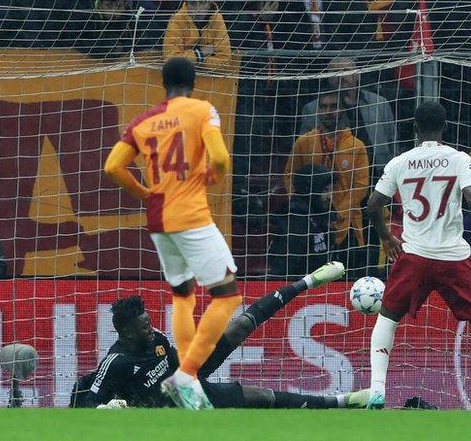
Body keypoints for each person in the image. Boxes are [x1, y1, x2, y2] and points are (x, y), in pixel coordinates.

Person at [103, 57, 239, 410]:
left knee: (183, 296)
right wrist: (211, 176)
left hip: (159, 219)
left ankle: (187, 382)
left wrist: (144, 193)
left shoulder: (143, 120)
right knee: (227, 297)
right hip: (192, 216)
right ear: (193, 82)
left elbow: (113, 166)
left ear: (163, 84)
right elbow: (221, 159)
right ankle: (186, 375)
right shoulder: (202, 110)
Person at [364, 101, 471, 411]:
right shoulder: (459, 159)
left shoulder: (399, 162)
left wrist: (387, 236)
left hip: (414, 254)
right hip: (453, 256)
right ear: (445, 127)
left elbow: (374, 204)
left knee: (388, 317)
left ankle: (377, 390)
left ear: (415, 128)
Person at [78, 269, 365, 408]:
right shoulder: (116, 362)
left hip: (184, 376)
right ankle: (342, 401)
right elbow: (88, 404)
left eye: (149, 323)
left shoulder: (157, 339)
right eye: (143, 328)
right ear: (126, 332)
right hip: (176, 402)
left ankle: (308, 281)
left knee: (238, 326)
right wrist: (107, 407)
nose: (150, 330)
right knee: (261, 397)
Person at [288, 90, 370, 253]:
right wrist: (301, 207)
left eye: (333, 107)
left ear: (343, 110)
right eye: (323, 107)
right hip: (310, 222)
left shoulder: (356, 145)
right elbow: (290, 177)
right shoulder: (304, 143)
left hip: (347, 223)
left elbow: (361, 185)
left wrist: (340, 210)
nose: (327, 112)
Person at [269, 164, 335, 278]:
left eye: (331, 190)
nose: (330, 196)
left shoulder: (318, 216)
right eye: (325, 190)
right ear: (311, 190)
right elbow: (282, 271)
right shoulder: (296, 221)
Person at [163, 0, 234, 72]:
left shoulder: (217, 19)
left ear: (210, 3)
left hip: (210, 78)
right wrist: (200, 54)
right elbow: (171, 62)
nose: (198, 10)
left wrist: (189, 59)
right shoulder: (177, 19)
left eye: (203, 3)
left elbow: (225, 62)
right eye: (193, 3)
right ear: (186, 3)